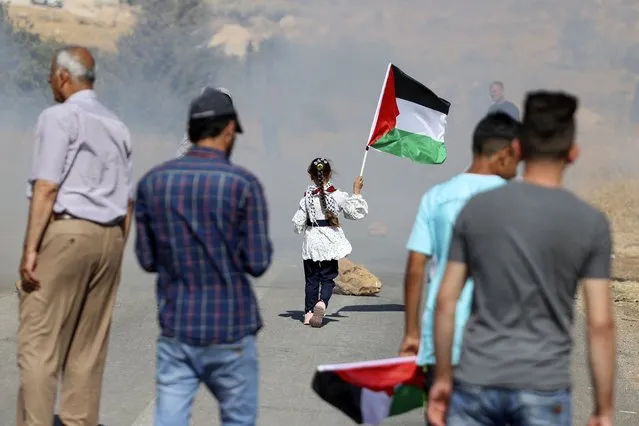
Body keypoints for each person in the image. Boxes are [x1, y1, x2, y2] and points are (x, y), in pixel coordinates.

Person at [429, 91, 616, 426]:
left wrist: (443, 378)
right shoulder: (591, 223)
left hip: (476, 381)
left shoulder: (478, 209)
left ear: (517, 149)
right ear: (573, 154)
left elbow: (446, 301)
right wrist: (603, 408)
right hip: (544, 388)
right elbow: (600, 324)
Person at [135, 87, 273, 426]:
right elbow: (257, 263)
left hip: (177, 327)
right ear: (228, 130)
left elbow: (147, 259)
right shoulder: (244, 184)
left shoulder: (153, 182)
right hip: (231, 328)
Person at [17, 45, 134, 426]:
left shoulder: (59, 116)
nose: (50, 81)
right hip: (111, 238)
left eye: (51, 75)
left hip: (68, 232)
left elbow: (47, 187)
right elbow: (128, 202)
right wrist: (117, 249)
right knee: (88, 348)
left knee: (40, 345)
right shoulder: (117, 125)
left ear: (64, 77)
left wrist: (30, 250)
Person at [398, 112, 520, 423]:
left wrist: (412, 333)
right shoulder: (515, 200)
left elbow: (415, 267)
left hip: (441, 341)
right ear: (506, 153)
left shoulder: (436, 197)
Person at [291, 158, 368, 327]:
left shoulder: (307, 197)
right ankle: (322, 303)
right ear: (330, 174)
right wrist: (356, 191)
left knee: (311, 280)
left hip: (311, 243)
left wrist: (303, 227)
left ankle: (308, 313)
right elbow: (355, 212)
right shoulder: (337, 195)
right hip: (329, 244)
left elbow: (298, 222)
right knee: (327, 279)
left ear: (311, 175)